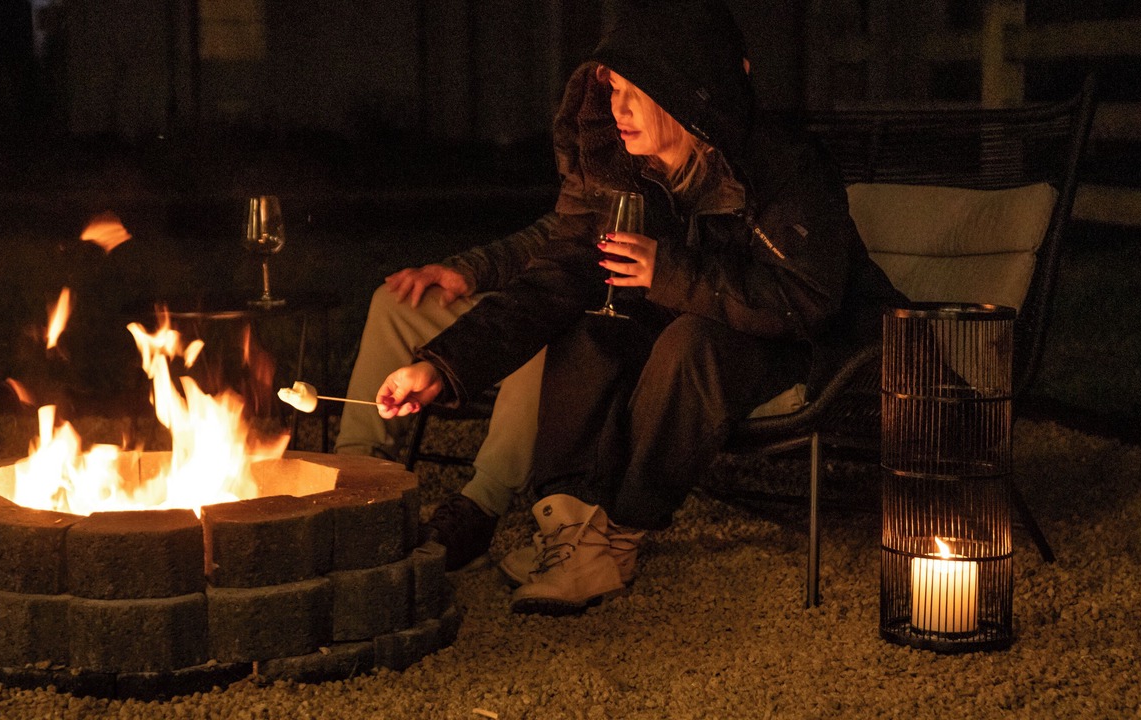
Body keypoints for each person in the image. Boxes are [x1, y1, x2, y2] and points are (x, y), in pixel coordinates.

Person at [374, 0, 908, 616]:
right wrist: (440, 368)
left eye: (635, 93)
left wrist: (668, 271)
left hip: (809, 345)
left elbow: (807, 299)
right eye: (613, 91)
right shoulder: (633, 178)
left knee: (691, 345)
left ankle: (618, 535)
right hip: (714, 318)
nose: (615, 109)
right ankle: (572, 528)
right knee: (589, 330)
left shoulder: (784, 167)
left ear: (684, 94)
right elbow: (552, 283)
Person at [335, 214, 557, 570]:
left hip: (602, 317)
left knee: (543, 336)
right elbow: (561, 234)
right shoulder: (609, 166)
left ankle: (479, 507)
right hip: (544, 295)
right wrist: (469, 270)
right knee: (397, 302)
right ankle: (355, 479)